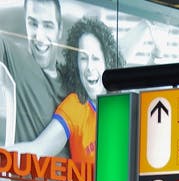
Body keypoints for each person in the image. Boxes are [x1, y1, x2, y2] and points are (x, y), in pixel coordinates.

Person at [9, 17, 122, 162]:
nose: (89, 67)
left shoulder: (123, 107)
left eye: (95, 58)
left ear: (108, 62)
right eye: (83, 58)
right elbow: (38, 149)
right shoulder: (75, 106)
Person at [0, 0, 66, 146]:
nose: (40, 37)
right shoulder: (13, 56)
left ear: (59, 30)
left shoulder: (72, 78)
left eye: (48, 26)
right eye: (33, 24)